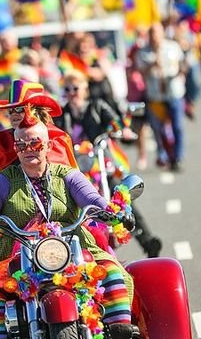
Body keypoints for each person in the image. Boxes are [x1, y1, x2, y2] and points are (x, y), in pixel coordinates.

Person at [0, 119, 144, 339]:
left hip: (72, 248)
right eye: (20, 144)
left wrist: (112, 212)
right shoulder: (2, 181)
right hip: (18, 251)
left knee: (113, 273)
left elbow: (93, 200)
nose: (28, 149)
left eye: (35, 143)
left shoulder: (68, 176)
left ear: (48, 146)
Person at [54, 70, 162, 258]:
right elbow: (55, 132)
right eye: (68, 89)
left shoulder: (96, 106)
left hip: (100, 165)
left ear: (85, 89)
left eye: (75, 88)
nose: (72, 92)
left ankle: (147, 241)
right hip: (76, 169)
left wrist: (121, 130)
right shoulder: (62, 114)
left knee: (121, 198)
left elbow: (114, 122)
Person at [136, 22, 186, 171]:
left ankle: (178, 157)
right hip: (155, 97)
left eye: (157, 33)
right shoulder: (143, 53)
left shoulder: (173, 47)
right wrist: (152, 65)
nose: (154, 36)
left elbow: (183, 64)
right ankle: (163, 154)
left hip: (174, 93)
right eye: (151, 33)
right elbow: (140, 71)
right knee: (158, 128)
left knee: (177, 127)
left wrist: (181, 71)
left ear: (162, 33)